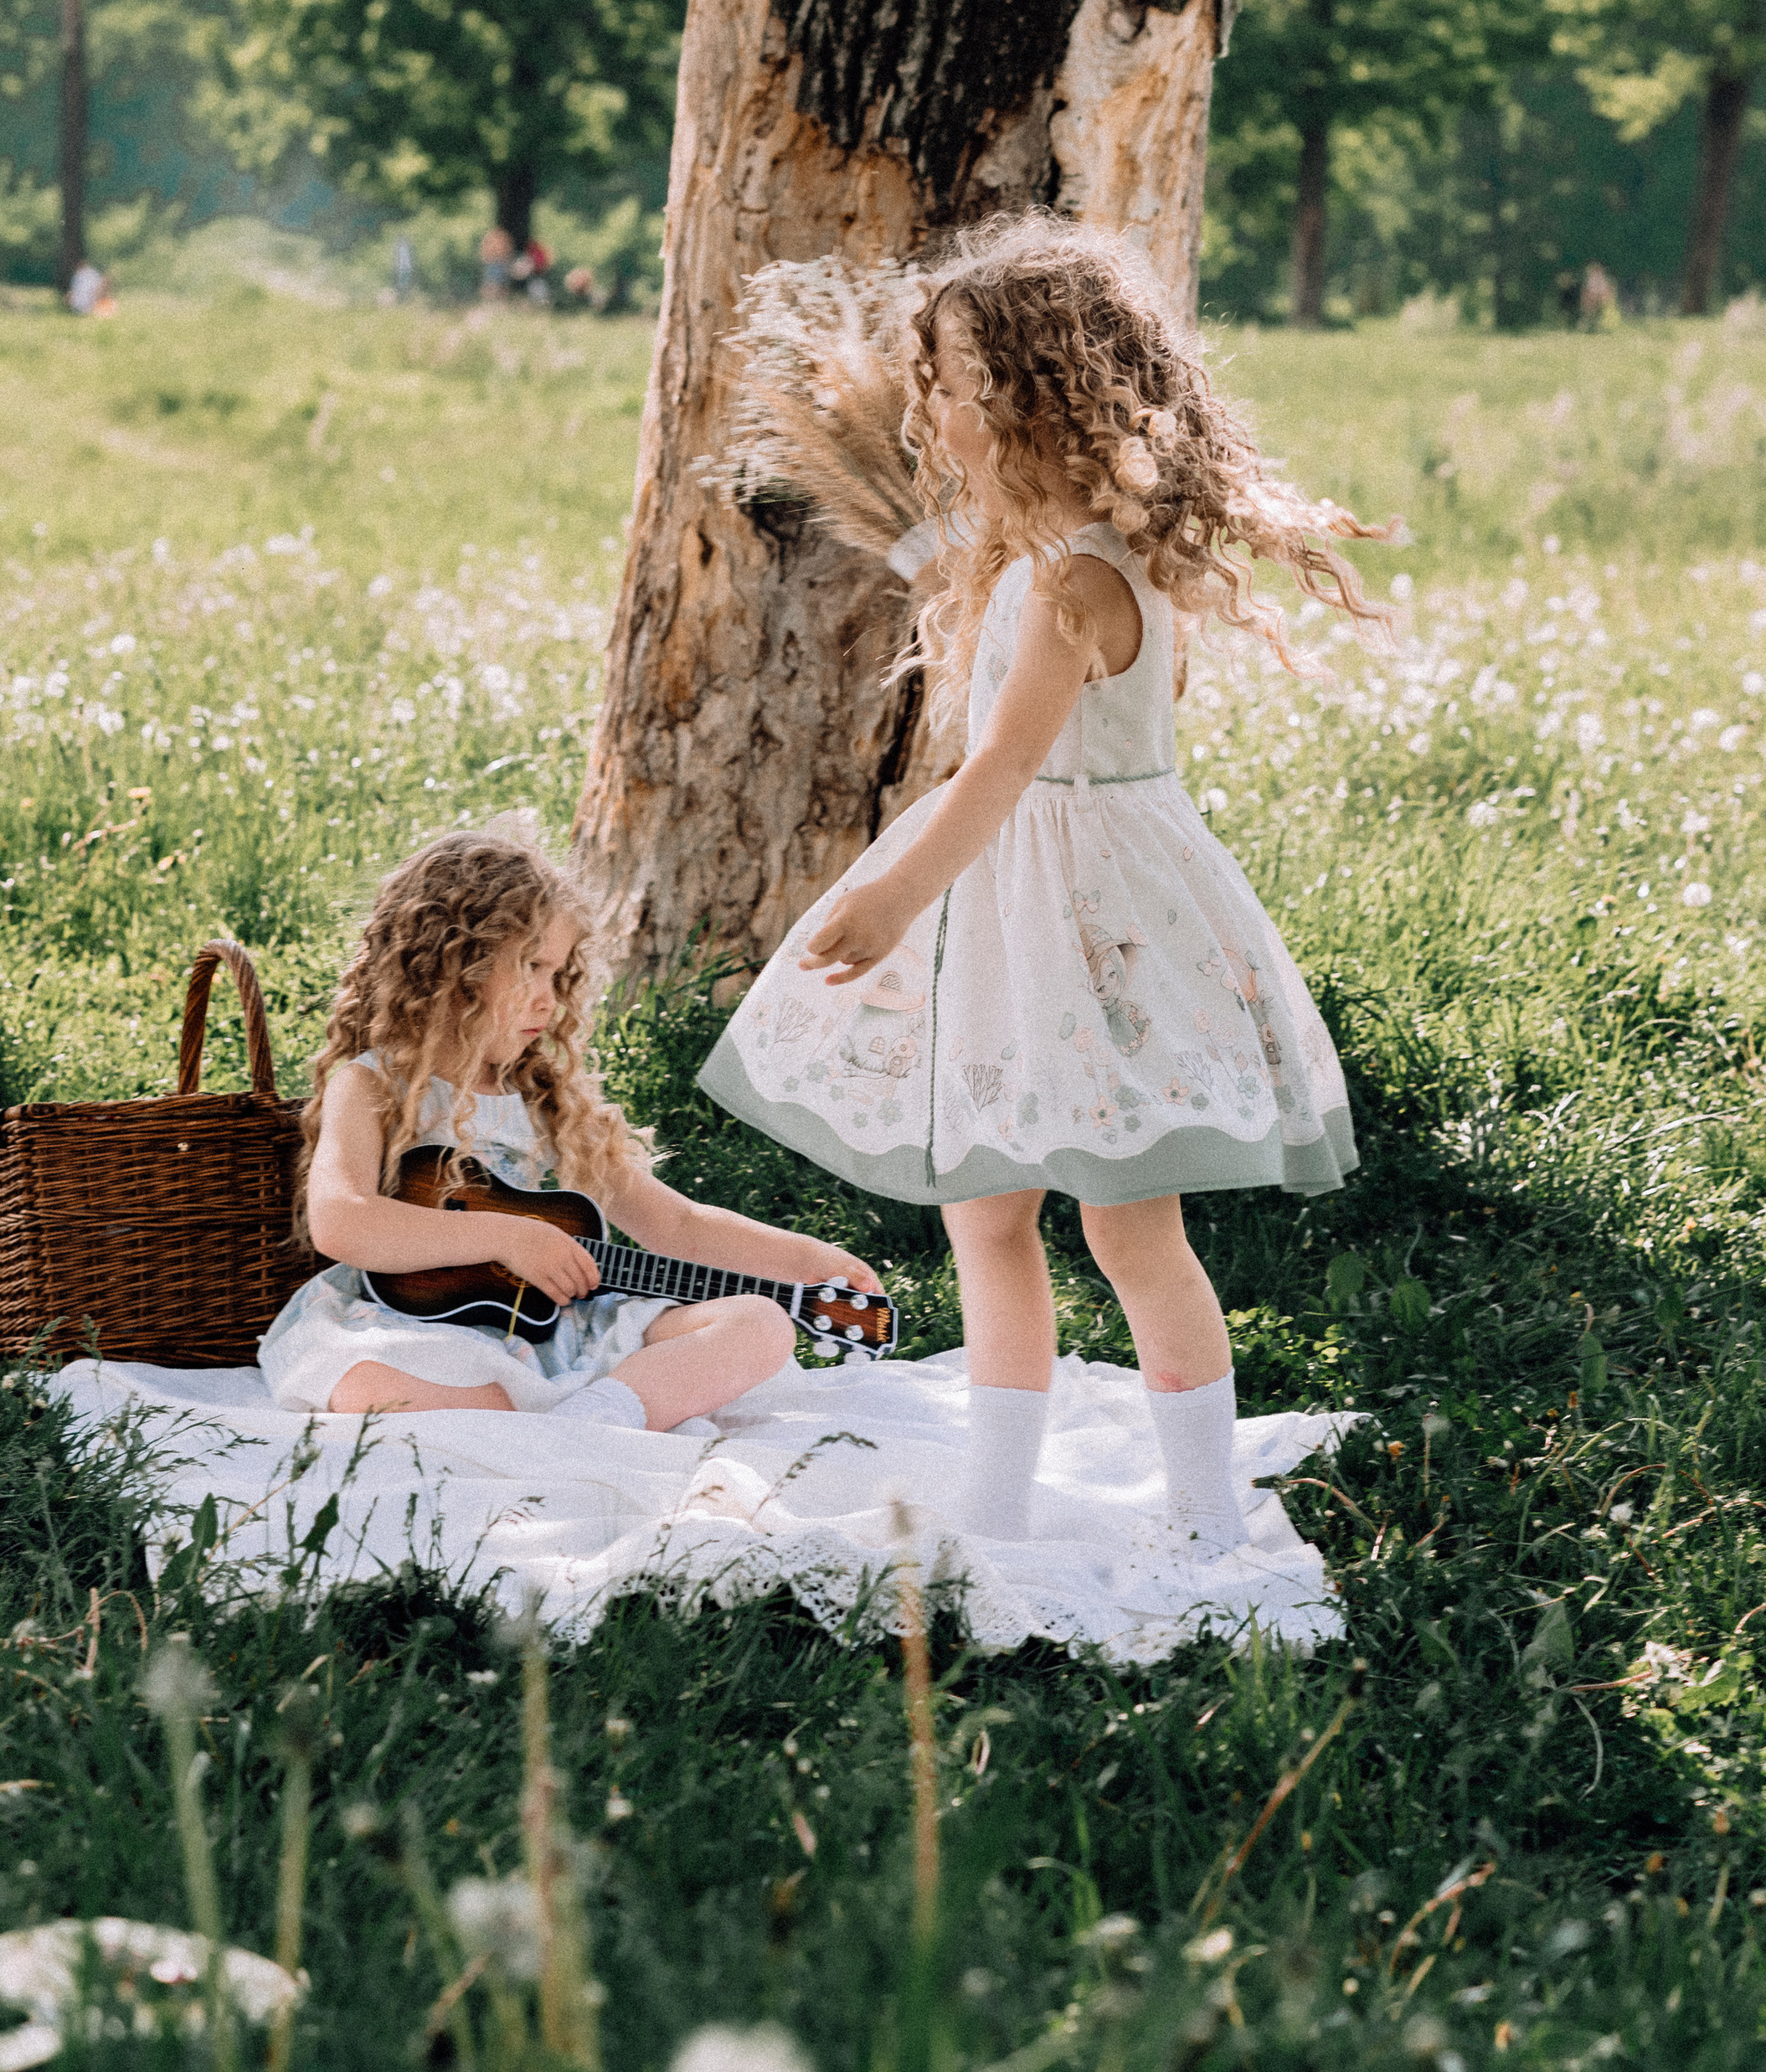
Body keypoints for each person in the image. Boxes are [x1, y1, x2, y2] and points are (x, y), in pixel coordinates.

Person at [699, 215, 1388, 1549]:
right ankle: (999, 1499)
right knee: (988, 1205)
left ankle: (1204, 1516)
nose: (936, 410)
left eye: (959, 384)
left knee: (1130, 1227)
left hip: (1091, 919)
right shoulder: (1054, 555)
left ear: (1039, 399)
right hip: (1031, 911)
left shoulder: (1078, 574)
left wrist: (892, 897)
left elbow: (1008, 766)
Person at [260, 823, 882, 1430]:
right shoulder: (373, 1085)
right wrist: (507, 1238)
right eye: (531, 966)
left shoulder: (543, 1099)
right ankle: (559, 1419)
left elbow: (677, 1226)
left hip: (561, 1331)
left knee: (761, 1325)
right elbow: (341, 1219)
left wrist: (809, 1260)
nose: (549, 999)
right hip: (417, 1329)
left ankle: (598, 1415)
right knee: (367, 1381)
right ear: (449, 967)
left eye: (557, 976)